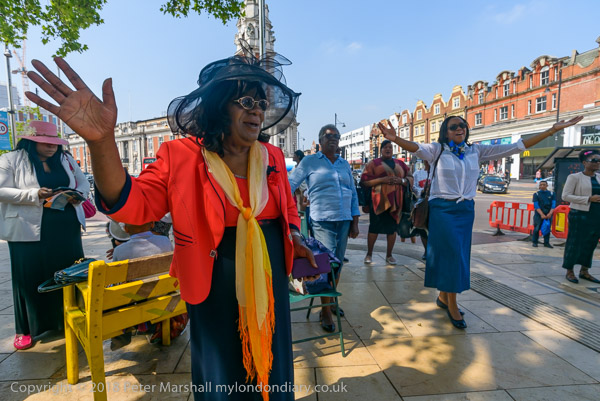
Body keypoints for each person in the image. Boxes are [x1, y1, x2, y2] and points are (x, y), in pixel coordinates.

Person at [27, 51, 316, 401]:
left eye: (261, 103)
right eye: (245, 101)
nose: (256, 110)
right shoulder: (180, 155)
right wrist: (101, 142)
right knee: (224, 369)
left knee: (274, 356)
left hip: (269, 273)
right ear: (218, 106)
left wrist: (296, 235)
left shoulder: (272, 157)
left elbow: (287, 208)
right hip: (213, 278)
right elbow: (131, 204)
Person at [378, 114, 583, 329]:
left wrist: (552, 130)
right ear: (445, 132)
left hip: (465, 210)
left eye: (463, 125)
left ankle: (443, 296)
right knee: (452, 255)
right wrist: (395, 139)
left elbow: (517, 146)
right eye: (454, 126)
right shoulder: (437, 150)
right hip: (442, 210)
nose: (460, 129)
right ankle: (452, 304)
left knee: (458, 254)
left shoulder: (475, 151)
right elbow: (416, 147)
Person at [0, 121, 90, 350]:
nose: (52, 147)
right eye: (45, 143)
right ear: (31, 141)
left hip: (66, 226)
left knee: (68, 273)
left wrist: (77, 195)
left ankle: (67, 319)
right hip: (26, 229)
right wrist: (34, 195)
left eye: (55, 143)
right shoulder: (11, 159)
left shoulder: (65, 159)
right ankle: (25, 329)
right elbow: (1, 190)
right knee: (28, 277)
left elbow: (83, 183)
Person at [288, 124, 360, 333]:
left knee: (338, 264)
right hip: (322, 220)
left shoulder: (344, 164)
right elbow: (290, 184)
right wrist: (289, 208)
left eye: (336, 136)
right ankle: (326, 310)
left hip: (344, 220)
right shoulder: (310, 161)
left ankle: (330, 302)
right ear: (320, 140)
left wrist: (355, 221)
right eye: (328, 136)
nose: (333, 139)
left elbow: (352, 192)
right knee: (326, 265)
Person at [360, 140, 413, 265]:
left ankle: (389, 255)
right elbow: (364, 181)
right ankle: (369, 254)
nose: (388, 149)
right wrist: (382, 180)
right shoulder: (373, 164)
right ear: (381, 150)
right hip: (378, 201)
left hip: (396, 202)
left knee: (392, 229)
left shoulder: (400, 163)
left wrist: (402, 181)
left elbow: (410, 177)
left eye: (390, 147)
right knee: (374, 228)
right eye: (385, 147)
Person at [561, 149, 600, 284]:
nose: (598, 163)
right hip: (579, 214)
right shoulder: (575, 177)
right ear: (584, 162)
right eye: (594, 160)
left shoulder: (599, 177)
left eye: (599, 160)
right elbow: (565, 196)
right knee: (574, 242)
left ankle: (584, 270)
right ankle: (569, 270)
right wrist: (588, 199)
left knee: (591, 243)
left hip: (596, 214)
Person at [412, 160, 430, 260]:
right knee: (423, 228)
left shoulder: (439, 172)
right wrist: (421, 191)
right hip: (422, 204)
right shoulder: (418, 174)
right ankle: (426, 250)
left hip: (435, 205)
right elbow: (413, 187)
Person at [532, 181, 555, 248]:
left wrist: (550, 213)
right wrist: (541, 214)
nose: (542, 186)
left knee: (547, 228)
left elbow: (553, 204)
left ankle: (546, 243)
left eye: (544, 185)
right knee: (536, 228)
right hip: (538, 214)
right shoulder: (536, 194)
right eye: (541, 185)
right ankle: (535, 242)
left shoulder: (552, 194)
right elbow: (536, 205)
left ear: (547, 185)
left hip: (548, 214)